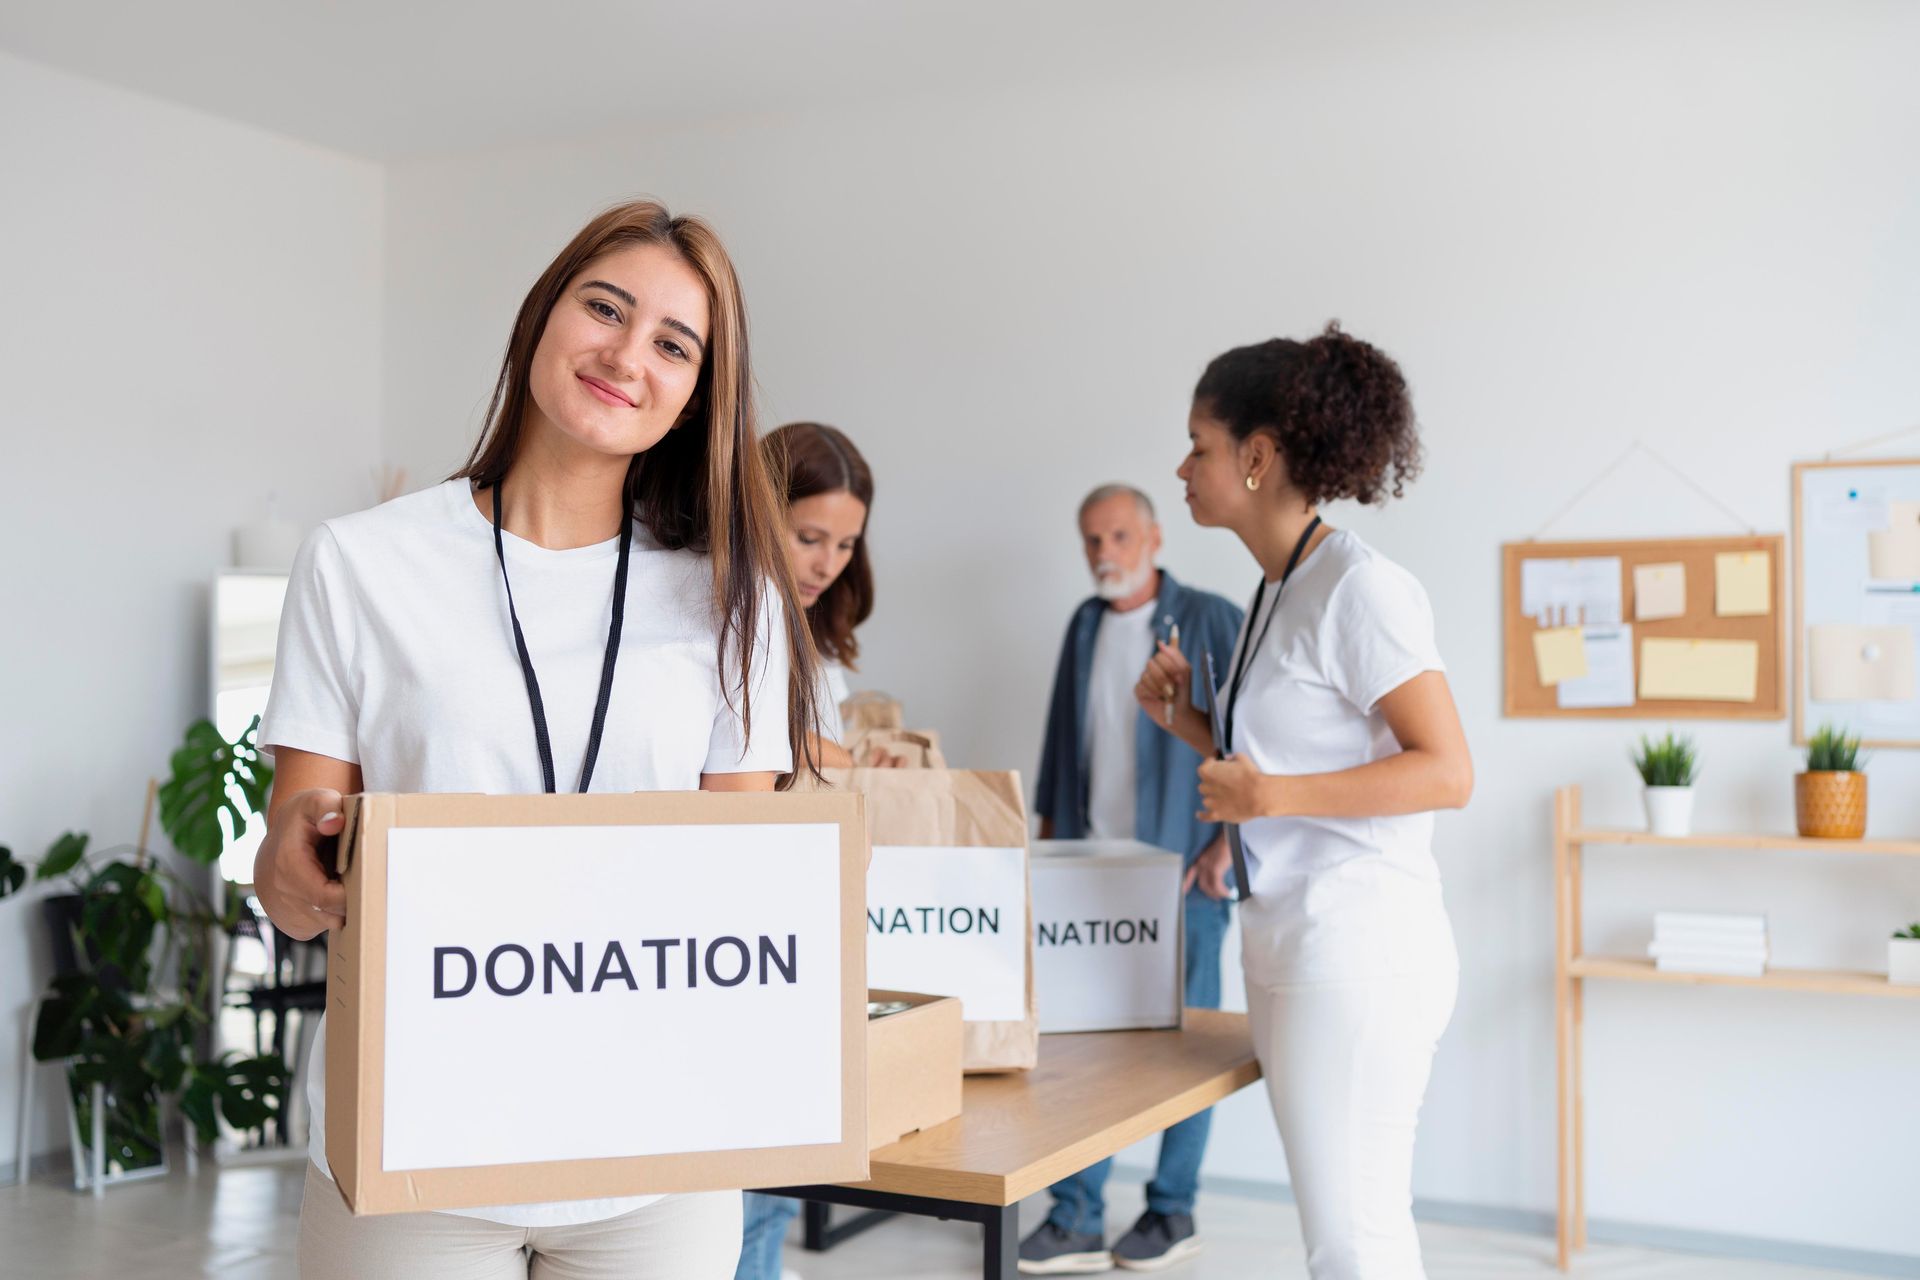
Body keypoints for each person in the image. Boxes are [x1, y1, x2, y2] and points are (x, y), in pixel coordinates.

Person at [253, 199, 822, 1280]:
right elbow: (290, 863)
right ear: (539, 318)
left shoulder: (731, 598)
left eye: (673, 343)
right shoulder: (361, 561)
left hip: (658, 1156)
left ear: (698, 392)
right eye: (603, 307)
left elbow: (739, 876)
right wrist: (297, 862)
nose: (625, 355)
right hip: (407, 1141)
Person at [1138, 323, 1472, 1280]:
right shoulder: (1279, 590)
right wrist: (1193, 724)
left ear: (1256, 456)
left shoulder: (1359, 588)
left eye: (1198, 446)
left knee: (1355, 1241)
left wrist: (1269, 789)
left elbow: (1447, 769)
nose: (1183, 466)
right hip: (1291, 941)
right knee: (1348, 1235)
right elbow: (1271, 765)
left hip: (1359, 946)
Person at [1023, 483, 1244, 1274]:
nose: (1103, 554)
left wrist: (1226, 845)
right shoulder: (1083, 625)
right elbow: (1061, 740)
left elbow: (1246, 743)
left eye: (1118, 536)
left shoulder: (1212, 615)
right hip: (1091, 870)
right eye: (1091, 540)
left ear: (1152, 536)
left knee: (1191, 1050)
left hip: (1185, 873)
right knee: (1080, 1051)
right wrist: (1046, 853)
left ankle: (1171, 1209)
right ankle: (1076, 1214)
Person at [735, 420, 876, 1280]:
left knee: (784, 1149)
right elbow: (770, 750)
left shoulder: (808, 628)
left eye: (846, 544)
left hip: (801, 908)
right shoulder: (734, 617)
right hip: (753, 910)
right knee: (759, 1150)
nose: (827, 562)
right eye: (809, 537)